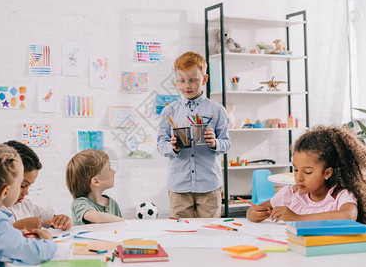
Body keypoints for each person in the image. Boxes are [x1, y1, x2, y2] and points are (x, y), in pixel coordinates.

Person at [157, 51, 231, 218]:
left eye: (192, 80)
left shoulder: (217, 110)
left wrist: (215, 143)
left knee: (210, 231)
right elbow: (160, 144)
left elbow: (227, 143)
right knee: (181, 234)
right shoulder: (169, 111)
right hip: (179, 186)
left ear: (204, 79)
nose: (186, 86)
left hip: (209, 185)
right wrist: (172, 147)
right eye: (181, 81)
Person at [247, 126, 366, 223]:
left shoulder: (340, 195)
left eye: (307, 172)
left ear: (327, 173)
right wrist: (251, 213)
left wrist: (297, 218)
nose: (299, 178)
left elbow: (347, 216)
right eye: (296, 170)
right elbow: (256, 208)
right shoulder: (290, 194)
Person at [2, 141, 71, 231]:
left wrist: (62, 221)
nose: (26, 192)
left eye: (29, 186)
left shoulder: (26, 206)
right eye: (22, 186)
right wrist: (17, 227)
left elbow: (50, 218)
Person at [65, 149, 123, 225]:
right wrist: (124, 221)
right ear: (96, 181)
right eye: (109, 169)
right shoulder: (79, 203)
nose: (113, 171)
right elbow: (98, 218)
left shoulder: (113, 204)